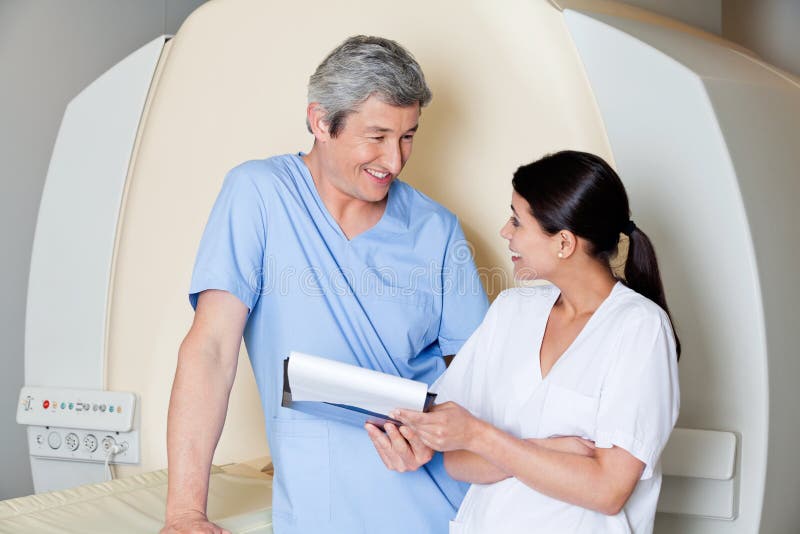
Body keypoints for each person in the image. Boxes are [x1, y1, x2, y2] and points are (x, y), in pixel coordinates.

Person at [160, 36, 488, 534]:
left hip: (440, 496)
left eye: (408, 137)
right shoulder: (260, 194)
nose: (394, 161)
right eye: (376, 136)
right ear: (321, 121)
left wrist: (435, 435)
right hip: (322, 497)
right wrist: (185, 514)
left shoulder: (437, 229)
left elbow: (478, 380)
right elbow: (210, 349)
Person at [389, 150, 681, 533]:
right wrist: (549, 449)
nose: (505, 232)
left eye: (517, 221)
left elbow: (607, 490)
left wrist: (483, 437)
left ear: (563, 243)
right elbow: (457, 460)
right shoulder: (511, 310)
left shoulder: (639, 328)